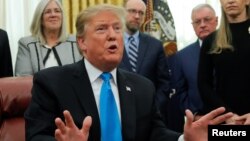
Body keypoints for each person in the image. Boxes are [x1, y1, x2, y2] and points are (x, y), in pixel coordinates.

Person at [24, 3, 233, 141]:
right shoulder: (52, 82)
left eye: (117, 29)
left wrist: (184, 138)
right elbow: (35, 136)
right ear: (82, 42)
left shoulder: (143, 87)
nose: (113, 36)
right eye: (102, 29)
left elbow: (155, 134)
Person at [198, 0, 250, 125]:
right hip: (224, 121)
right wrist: (227, 115)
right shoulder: (211, 40)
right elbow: (203, 84)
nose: (231, 1)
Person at [168, 4, 218, 132]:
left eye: (207, 19)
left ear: (216, 21)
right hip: (199, 124)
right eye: (197, 22)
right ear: (193, 26)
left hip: (233, 122)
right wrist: (196, 116)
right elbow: (180, 92)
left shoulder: (233, 50)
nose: (202, 24)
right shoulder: (181, 57)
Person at [118, 0, 171, 121]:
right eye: (132, 11)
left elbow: (164, 82)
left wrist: (154, 108)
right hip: (119, 115)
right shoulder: (111, 42)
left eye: (141, 13)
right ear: (122, 12)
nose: (137, 16)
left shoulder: (155, 45)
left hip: (150, 117)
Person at [15, 0, 82, 76]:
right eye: (48, 12)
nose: (53, 15)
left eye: (57, 11)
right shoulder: (26, 44)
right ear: (40, 18)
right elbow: (23, 78)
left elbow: (84, 75)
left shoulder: (77, 41)